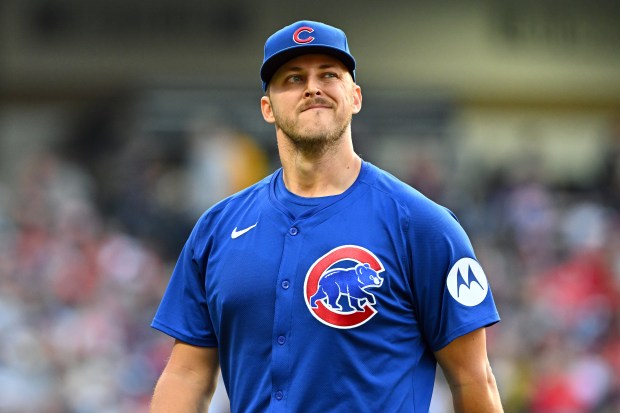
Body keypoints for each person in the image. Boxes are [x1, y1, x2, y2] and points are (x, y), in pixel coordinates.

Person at [150, 20, 504, 413]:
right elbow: (187, 375)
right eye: (294, 78)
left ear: (355, 96)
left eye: (329, 75)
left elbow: (473, 378)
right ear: (267, 108)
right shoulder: (217, 230)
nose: (312, 87)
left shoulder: (422, 225)